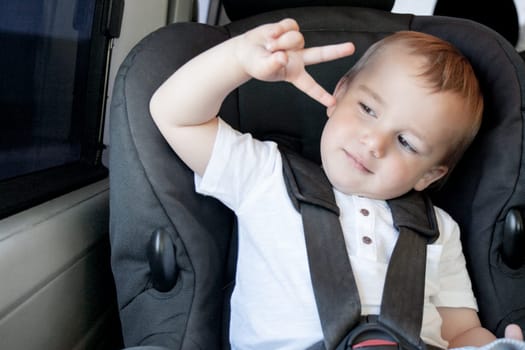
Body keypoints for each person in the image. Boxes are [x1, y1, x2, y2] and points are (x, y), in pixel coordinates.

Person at [149, 18, 523, 349]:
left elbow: (460, 333)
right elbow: (174, 116)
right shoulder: (264, 175)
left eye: (406, 142)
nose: (373, 143)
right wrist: (239, 60)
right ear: (339, 94)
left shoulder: (439, 229)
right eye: (367, 109)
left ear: (429, 175)